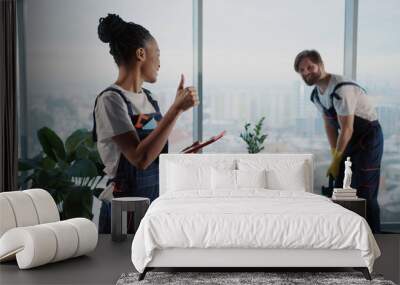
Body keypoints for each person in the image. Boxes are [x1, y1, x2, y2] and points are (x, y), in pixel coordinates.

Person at [93, 14, 198, 233]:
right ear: (141, 53)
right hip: (123, 208)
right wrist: (176, 109)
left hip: (152, 203)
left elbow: (152, 151)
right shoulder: (111, 100)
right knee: (120, 266)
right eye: (157, 54)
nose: (159, 63)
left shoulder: (148, 99)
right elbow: (139, 158)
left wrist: (179, 158)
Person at [294, 49, 384, 233]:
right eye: (301, 70)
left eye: (309, 67)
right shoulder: (317, 94)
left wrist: (337, 159)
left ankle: (374, 235)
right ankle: (346, 234)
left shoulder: (341, 89)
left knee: (364, 188)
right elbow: (329, 124)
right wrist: (335, 155)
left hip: (367, 139)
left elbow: (347, 127)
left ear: (320, 65)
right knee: (339, 185)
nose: (306, 73)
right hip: (348, 138)